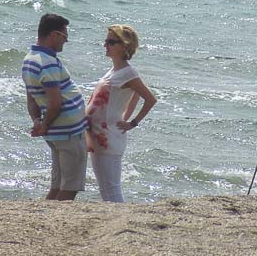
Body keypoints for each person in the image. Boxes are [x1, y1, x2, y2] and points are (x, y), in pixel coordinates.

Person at [86, 24, 157, 202]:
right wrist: (125, 115)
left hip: (108, 137)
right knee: (106, 187)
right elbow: (134, 95)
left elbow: (149, 99)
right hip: (99, 136)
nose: (105, 45)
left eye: (111, 42)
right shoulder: (115, 71)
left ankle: (120, 221)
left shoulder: (128, 72)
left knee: (110, 189)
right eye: (105, 41)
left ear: (125, 46)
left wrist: (132, 123)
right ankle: (116, 219)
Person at [21, 13, 88, 201]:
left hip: (56, 131)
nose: (65, 42)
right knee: (70, 187)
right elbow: (56, 103)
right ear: (54, 35)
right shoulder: (47, 63)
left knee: (58, 184)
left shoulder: (29, 60)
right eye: (65, 36)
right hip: (67, 132)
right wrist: (44, 125)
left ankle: (44, 215)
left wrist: (38, 121)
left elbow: (32, 98)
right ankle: (57, 222)